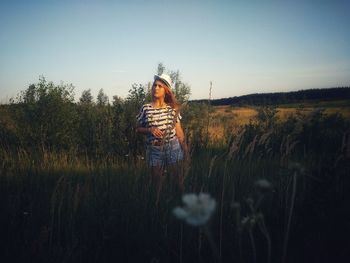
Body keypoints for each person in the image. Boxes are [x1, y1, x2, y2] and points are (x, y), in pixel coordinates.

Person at [136, 73, 188, 204]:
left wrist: (186, 150)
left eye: (160, 86)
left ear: (166, 89)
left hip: (173, 147)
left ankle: (182, 206)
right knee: (157, 185)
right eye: (154, 85)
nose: (156, 88)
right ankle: (158, 209)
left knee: (178, 181)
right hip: (155, 150)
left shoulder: (172, 108)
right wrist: (150, 129)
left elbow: (179, 131)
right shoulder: (146, 108)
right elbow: (137, 128)